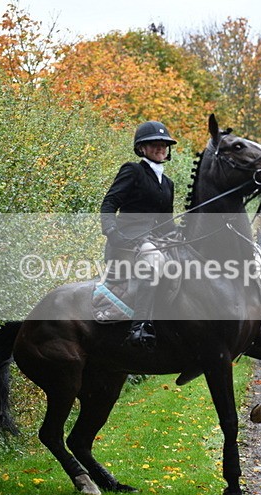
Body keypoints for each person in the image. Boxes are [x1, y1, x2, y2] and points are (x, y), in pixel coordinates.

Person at [100, 120, 177, 350]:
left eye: (164, 144)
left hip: (155, 241)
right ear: (141, 148)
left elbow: (166, 224)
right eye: (153, 143)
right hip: (127, 241)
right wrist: (112, 232)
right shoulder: (132, 170)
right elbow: (109, 203)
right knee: (153, 259)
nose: (160, 148)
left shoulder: (168, 184)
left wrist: (180, 236)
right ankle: (139, 325)